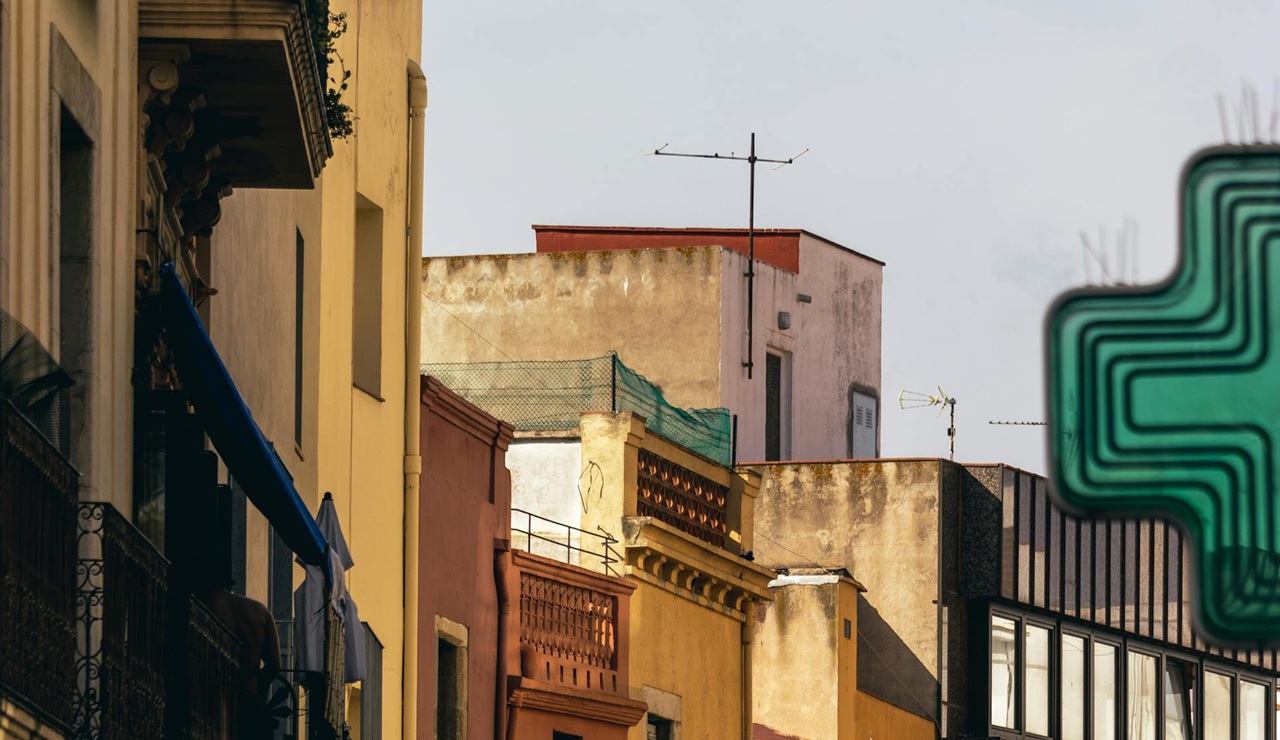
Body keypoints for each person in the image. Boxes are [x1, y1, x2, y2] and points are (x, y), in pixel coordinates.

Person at [205, 585, 282, 739]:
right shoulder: (259, 611)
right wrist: (258, 687)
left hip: (213, 697)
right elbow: (274, 664)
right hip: (250, 698)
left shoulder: (204, 607)